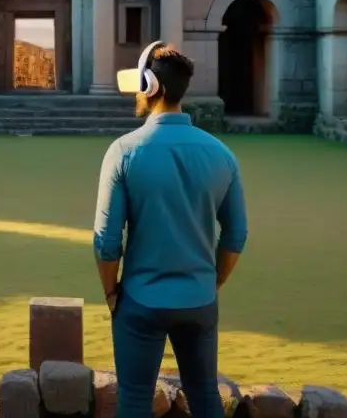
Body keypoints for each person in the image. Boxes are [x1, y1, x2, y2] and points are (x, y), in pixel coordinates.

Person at [93, 41, 249, 418]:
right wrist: (215, 281)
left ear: (149, 86)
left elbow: (106, 242)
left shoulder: (124, 150)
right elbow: (236, 234)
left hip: (140, 299)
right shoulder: (221, 154)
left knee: (133, 399)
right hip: (198, 297)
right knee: (205, 398)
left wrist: (112, 291)